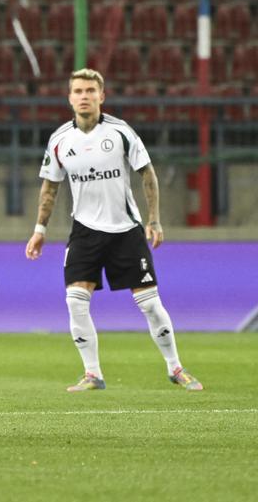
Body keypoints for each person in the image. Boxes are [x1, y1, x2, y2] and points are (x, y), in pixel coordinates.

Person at [25, 68, 202, 393]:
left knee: (149, 304)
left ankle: (175, 367)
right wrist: (39, 229)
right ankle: (92, 374)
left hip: (125, 230)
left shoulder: (121, 133)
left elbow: (148, 175)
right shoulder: (60, 140)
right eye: (78, 91)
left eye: (90, 91)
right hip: (85, 232)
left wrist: (154, 220)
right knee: (76, 301)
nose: (84, 96)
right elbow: (49, 188)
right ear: (69, 98)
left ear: (101, 97)